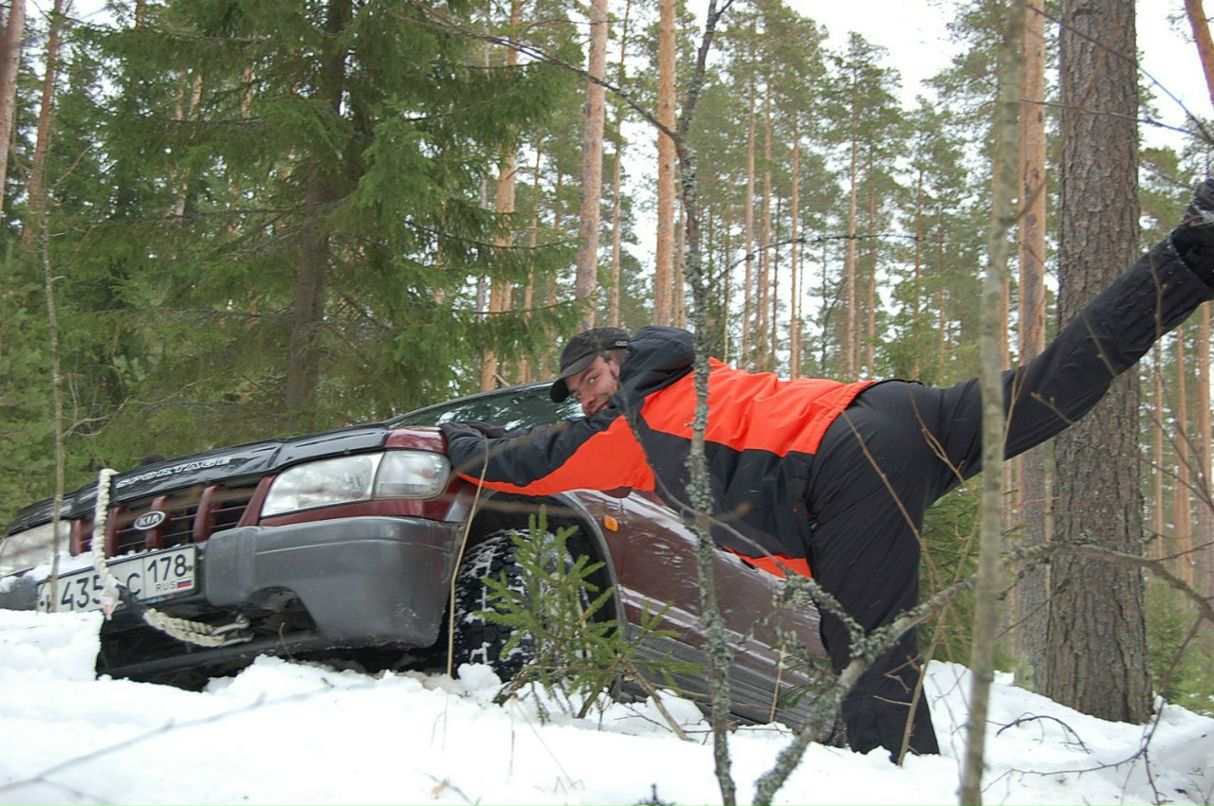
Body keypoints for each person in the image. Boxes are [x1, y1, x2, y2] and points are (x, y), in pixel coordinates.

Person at [441, 179, 1214, 760]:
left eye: (587, 381)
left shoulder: (642, 412)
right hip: (897, 414)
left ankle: (895, 779)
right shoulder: (699, 380)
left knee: (866, 644)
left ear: (619, 363)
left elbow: (536, 462)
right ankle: (1189, 259)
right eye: (577, 392)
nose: (584, 400)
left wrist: (464, 440)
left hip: (848, 462)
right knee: (1051, 388)